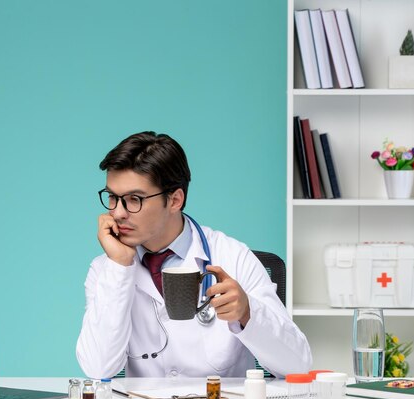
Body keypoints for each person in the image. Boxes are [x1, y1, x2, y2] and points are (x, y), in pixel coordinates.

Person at [76, 131, 312, 378]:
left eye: (134, 199)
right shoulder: (106, 268)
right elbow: (98, 368)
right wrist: (120, 266)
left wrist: (247, 312)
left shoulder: (234, 257)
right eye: (113, 197)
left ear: (175, 199)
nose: (118, 213)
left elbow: (297, 366)